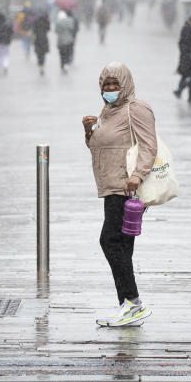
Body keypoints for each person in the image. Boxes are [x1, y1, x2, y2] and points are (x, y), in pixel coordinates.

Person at [81, 62, 155, 327]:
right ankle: (127, 306)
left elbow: (149, 146)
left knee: (109, 241)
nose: (110, 89)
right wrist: (89, 131)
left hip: (126, 187)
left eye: (115, 84)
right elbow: (99, 147)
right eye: (105, 85)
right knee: (122, 245)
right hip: (110, 186)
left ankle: (133, 302)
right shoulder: (109, 110)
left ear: (125, 85)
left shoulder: (137, 109)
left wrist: (138, 174)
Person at [173, 14, 191, 103]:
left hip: (190, 57)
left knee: (189, 75)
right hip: (188, 58)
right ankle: (190, 94)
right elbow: (184, 44)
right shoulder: (187, 30)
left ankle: (183, 92)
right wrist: (190, 55)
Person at [32, 11, 51, 76]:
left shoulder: (36, 21)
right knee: (43, 54)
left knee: (39, 54)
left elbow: (33, 30)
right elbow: (48, 29)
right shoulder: (46, 21)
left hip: (37, 39)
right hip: (44, 39)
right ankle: (42, 65)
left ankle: (40, 65)